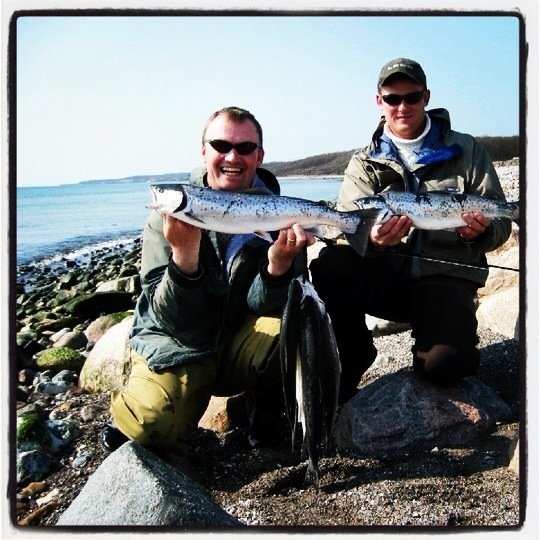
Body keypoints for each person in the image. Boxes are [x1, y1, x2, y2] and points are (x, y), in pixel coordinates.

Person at [102, 106, 311, 457]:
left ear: (259, 156)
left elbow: (271, 304)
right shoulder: (164, 221)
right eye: (221, 145)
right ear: (203, 151)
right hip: (178, 342)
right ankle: (137, 403)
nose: (232, 157)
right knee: (150, 428)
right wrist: (184, 257)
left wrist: (277, 267)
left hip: (236, 344)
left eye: (245, 148)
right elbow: (169, 318)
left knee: (296, 324)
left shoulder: (281, 215)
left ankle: (265, 416)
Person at [310, 58, 512, 404]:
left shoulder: (467, 149)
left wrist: (480, 234)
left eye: (412, 97)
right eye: (392, 98)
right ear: (379, 101)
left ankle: (444, 340)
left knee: (446, 367)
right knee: (329, 265)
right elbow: (346, 226)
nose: (402, 106)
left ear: (426, 97)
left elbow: (501, 223)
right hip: (387, 278)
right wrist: (373, 241)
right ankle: (353, 355)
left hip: (445, 279)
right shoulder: (364, 162)